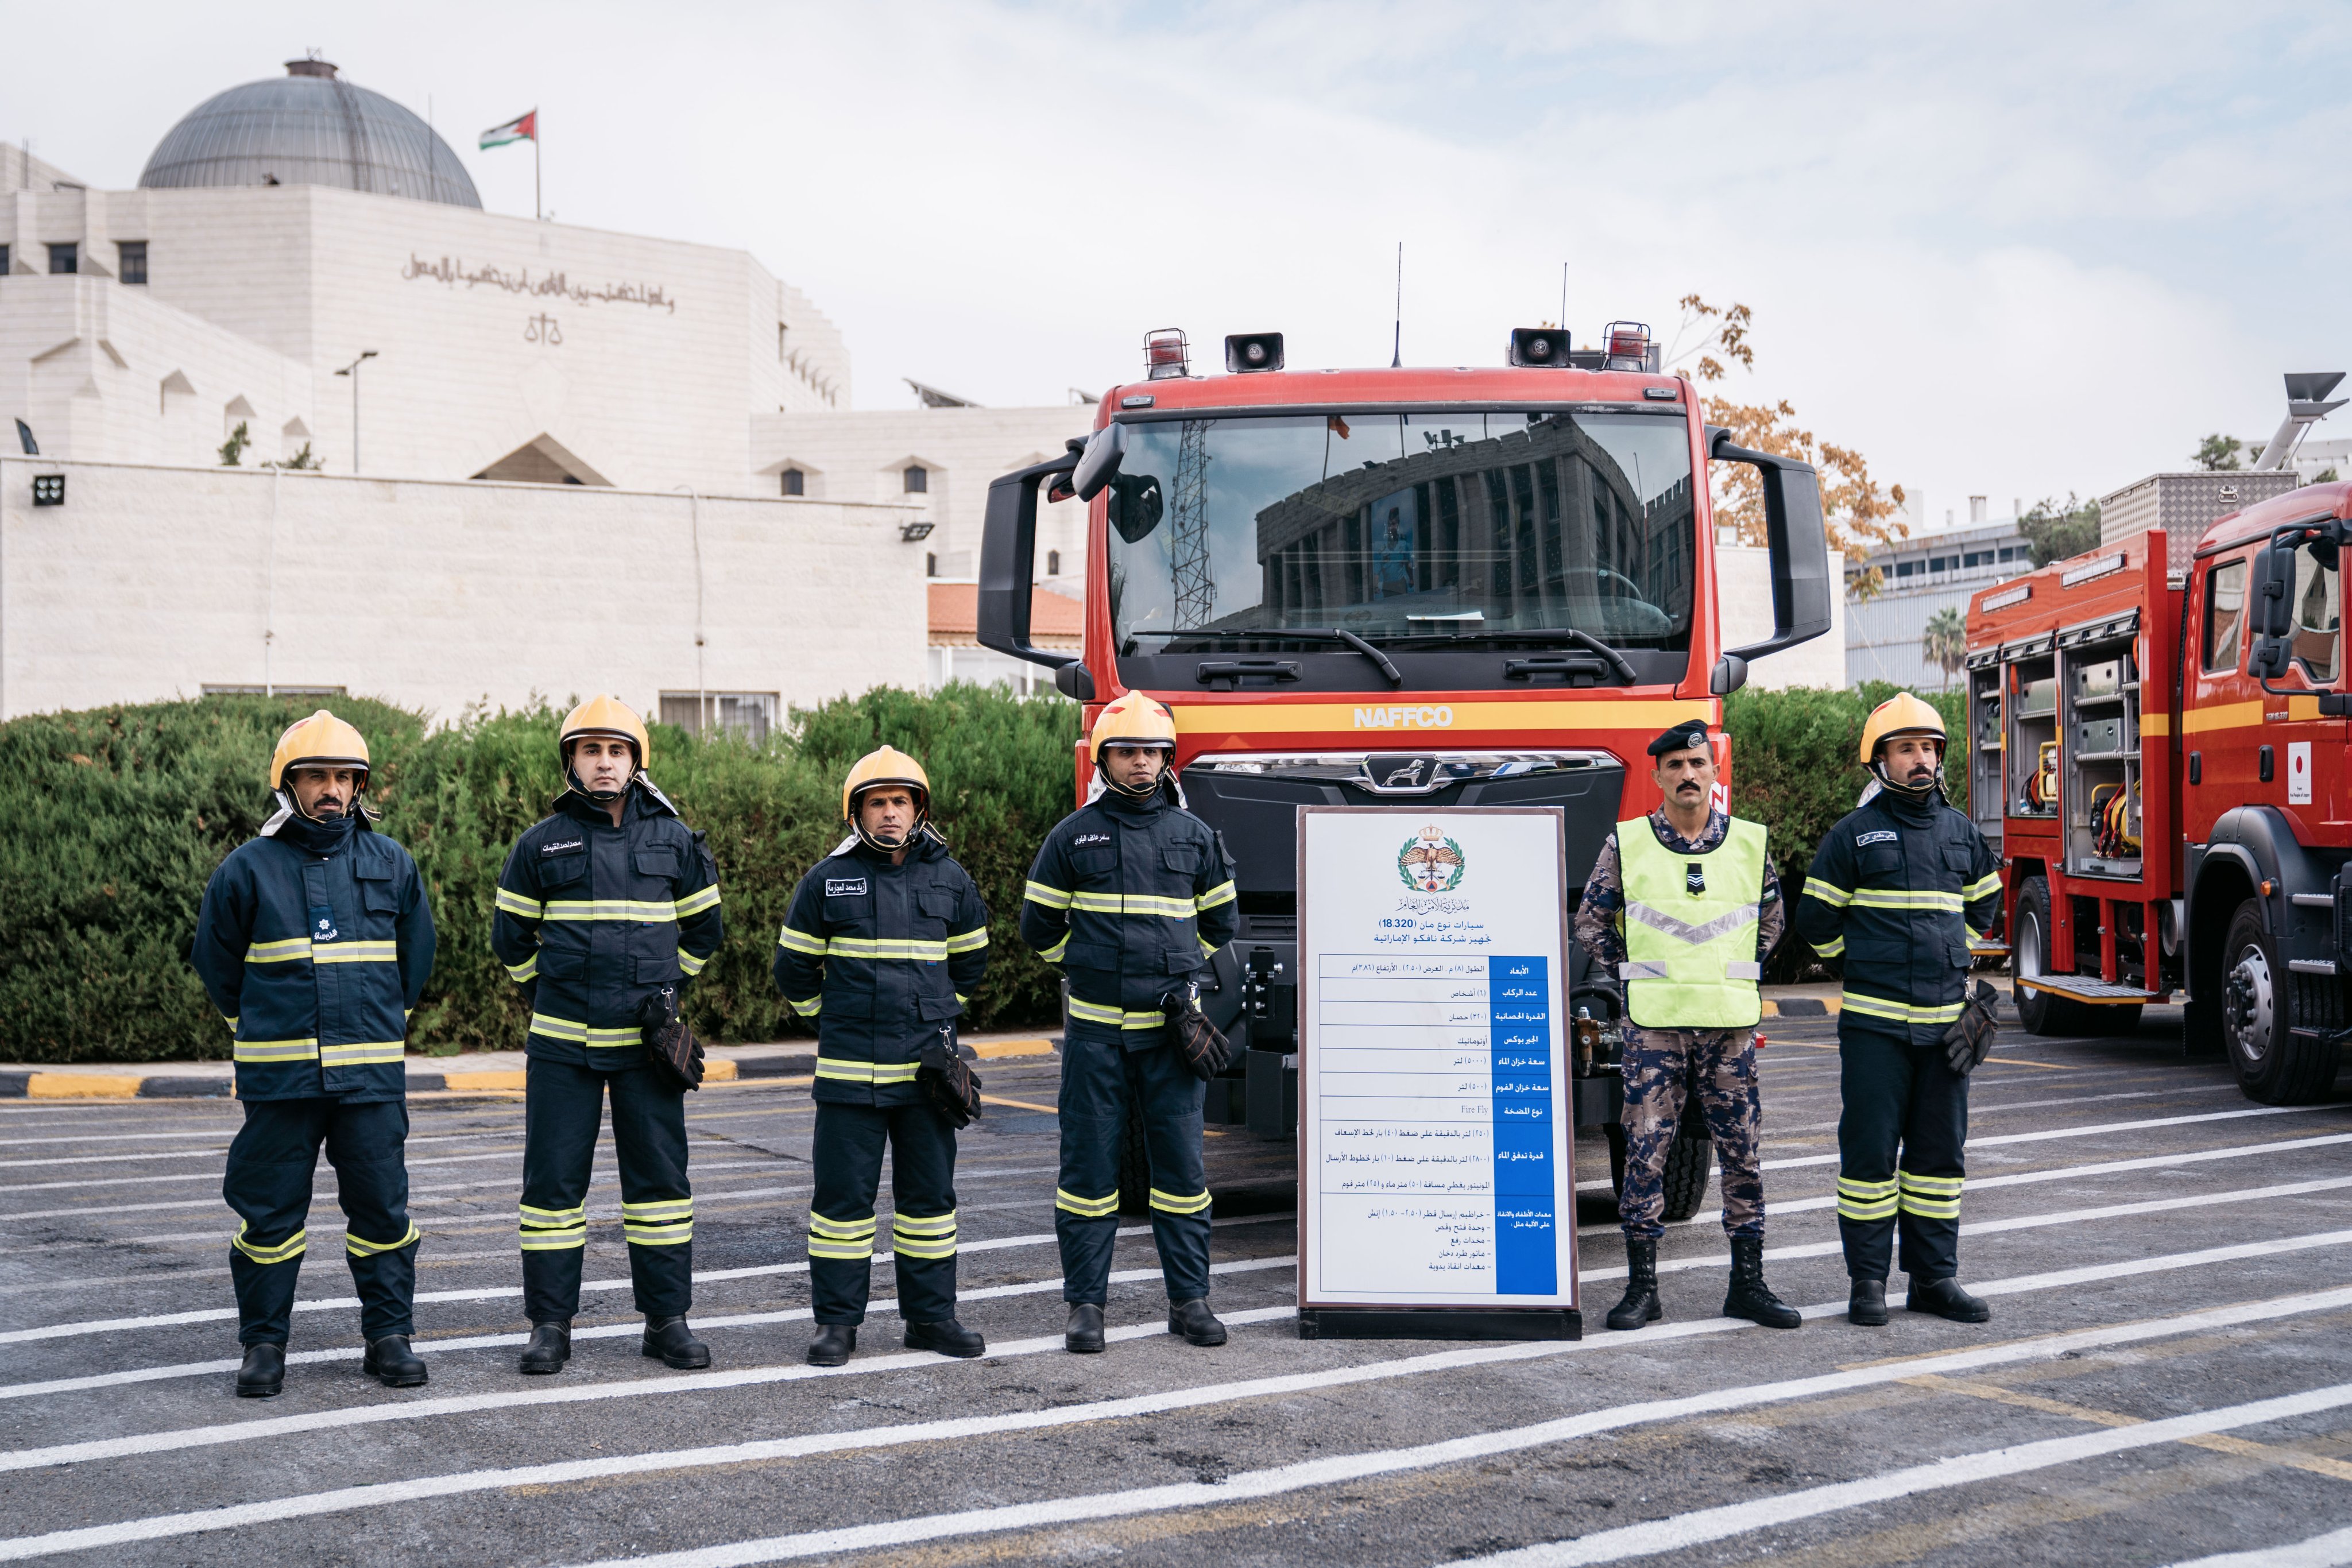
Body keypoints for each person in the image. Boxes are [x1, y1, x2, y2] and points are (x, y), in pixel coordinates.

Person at [189, 710, 438, 1398]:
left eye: (343, 777)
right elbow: (217, 967)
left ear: (360, 786)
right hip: (280, 1080)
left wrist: (386, 1023)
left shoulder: (392, 863)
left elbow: (415, 960)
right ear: (288, 784)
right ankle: (263, 1346)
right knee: (269, 1216)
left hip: (369, 1080)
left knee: (383, 1212)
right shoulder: (246, 869)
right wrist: (260, 1027)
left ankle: (389, 1337)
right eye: (316, 776)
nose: (331, 789)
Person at [492, 696, 723, 1375]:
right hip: (562, 1047)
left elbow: (705, 932)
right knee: (552, 1191)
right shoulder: (540, 844)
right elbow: (510, 941)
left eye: (616, 751)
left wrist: (664, 991)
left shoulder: (675, 841)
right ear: (572, 762)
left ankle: (667, 1321)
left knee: (660, 1188)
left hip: (648, 1050)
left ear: (635, 762)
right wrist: (553, 992)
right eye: (590, 750)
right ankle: (550, 1327)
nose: (603, 762)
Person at [1021, 691, 1239, 1354]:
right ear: (1105, 759)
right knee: (1087, 1175)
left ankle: (1189, 1301)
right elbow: (1039, 931)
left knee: (1181, 1173)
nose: (1140, 763)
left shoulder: (1196, 837)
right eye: (1127, 751)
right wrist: (1087, 967)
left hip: (1172, 1036)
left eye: (1151, 751)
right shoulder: (1071, 835)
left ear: (1167, 759)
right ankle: (1085, 1307)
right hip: (1094, 1037)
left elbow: (1219, 925)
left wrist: (1177, 972)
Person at [1574, 721, 1800, 1333]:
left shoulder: (1749, 844)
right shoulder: (1628, 844)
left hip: (1727, 1027)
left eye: (1696, 762)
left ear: (1713, 769)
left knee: (1742, 1155)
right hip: (1655, 1028)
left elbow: (1772, 921)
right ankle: (1642, 1289)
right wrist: (1631, 971)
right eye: (1674, 765)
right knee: (1645, 1156)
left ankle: (1747, 1285)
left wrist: (1734, 973)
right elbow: (1590, 922)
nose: (1687, 774)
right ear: (1658, 775)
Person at [774, 746, 992, 1365]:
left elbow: (971, 959)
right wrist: (834, 1019)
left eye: (900, 801)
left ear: (918, 808)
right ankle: (836, 1326)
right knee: (842, 1208)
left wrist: (936, 1012)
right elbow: (792, 971)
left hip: (927, 1079)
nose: (890, 813)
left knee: (929, 1205)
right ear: (857, 813)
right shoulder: (825, 881)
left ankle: (930, 1319)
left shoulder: (949, 878)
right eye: (878, 802)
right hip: (849, 1079)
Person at [1796, 692, 2003, 1327]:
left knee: (1939, 1162)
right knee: (1868, 1159)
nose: (1921, 760)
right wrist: (1861, 963)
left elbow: (1982, 913)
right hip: (1874, 1031)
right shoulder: (1852, 834)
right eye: (1907, 748)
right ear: (1879, 759)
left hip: (1945, 1030)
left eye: (1929, 749)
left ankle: (1934, 1279)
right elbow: (1815, 924)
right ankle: (1867, 1282)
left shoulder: (1962, 832)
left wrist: (1955, 973)